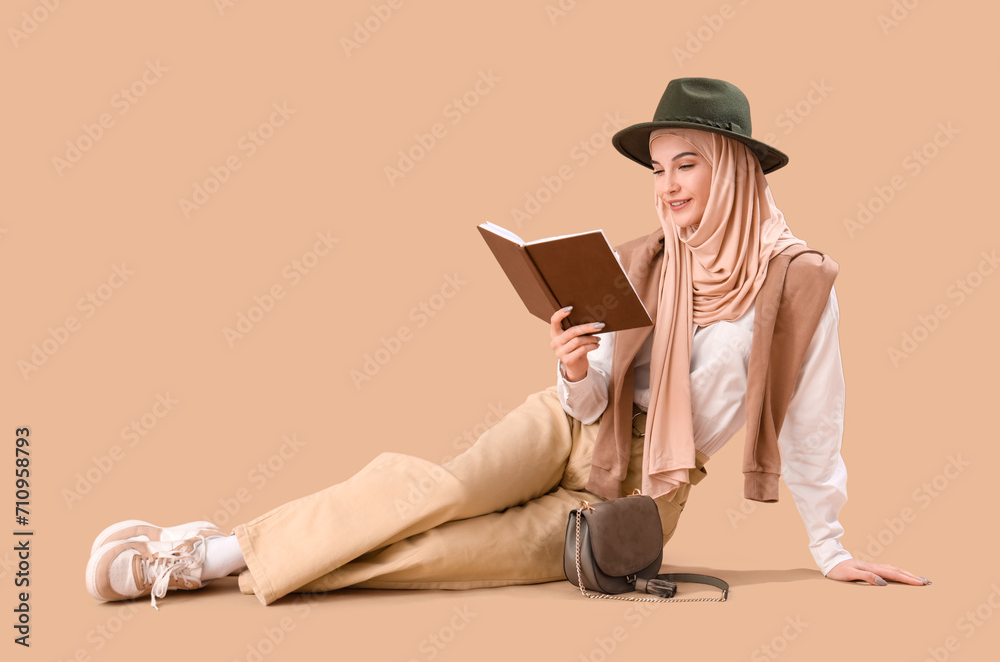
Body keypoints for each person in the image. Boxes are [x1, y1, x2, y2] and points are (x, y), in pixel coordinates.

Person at [86, 77, 929, 610]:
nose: (666, 187)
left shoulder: (798, 284)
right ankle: (203, 554)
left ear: (735, 168)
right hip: (569, 427)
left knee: (448, 555)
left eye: (687, 165)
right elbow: (595, 390)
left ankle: (239, 566)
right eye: (659, 169)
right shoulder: (644, 262)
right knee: (433, 489)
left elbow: (816, 420)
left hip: (641, 488)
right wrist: (572, 371)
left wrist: (831, 548)